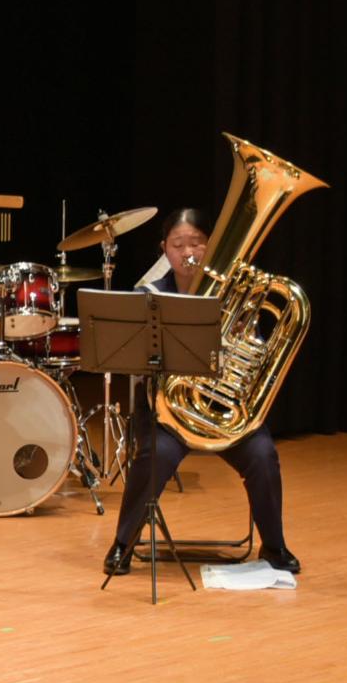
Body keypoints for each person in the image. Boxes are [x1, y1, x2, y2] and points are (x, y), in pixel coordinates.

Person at [103, 208, 298, 576]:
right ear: (165, 249)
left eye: (196, 243)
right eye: (178, 245)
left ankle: (275, 545)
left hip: (223, 413)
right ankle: (122, 544)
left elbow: (255, 357)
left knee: (263, 455)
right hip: (169, 417)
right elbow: (135, 359)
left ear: (211, 247)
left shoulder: (235, 294)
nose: (188, 251)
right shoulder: (149, 295)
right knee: (154, 455)